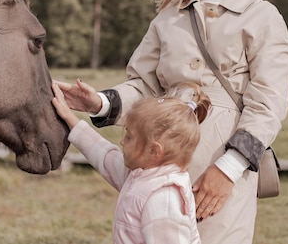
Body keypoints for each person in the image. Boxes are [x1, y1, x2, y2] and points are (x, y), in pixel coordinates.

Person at [55, 0, 288, 244]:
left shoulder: (264, 18)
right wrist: (99, 103)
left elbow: (268, 106)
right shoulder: (168, 17)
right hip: (157, 166)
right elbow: (142, 87)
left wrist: (227, 171)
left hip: (222, 172)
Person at [51, 81, 211, 244]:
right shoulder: (142, 174)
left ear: (154, 151)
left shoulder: (163, 199)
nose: (121, 141)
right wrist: (69, 118)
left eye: (129, 136)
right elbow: (105, 156)